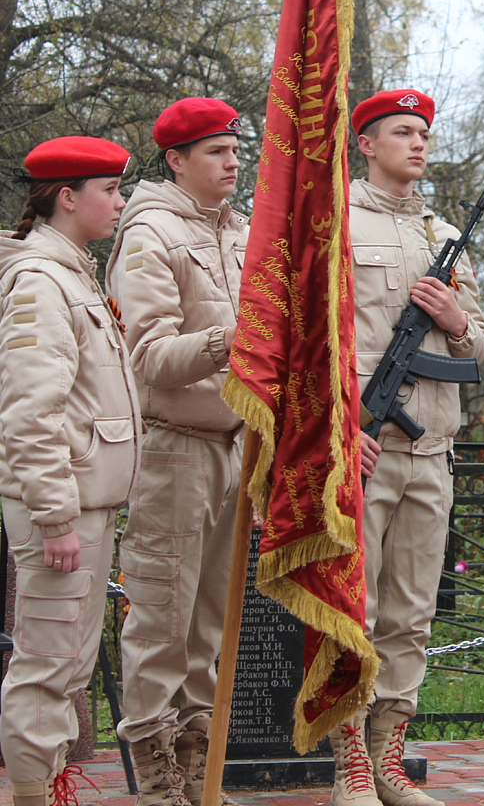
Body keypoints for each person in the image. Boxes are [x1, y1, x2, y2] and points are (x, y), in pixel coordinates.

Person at [327, 90, 484, 806]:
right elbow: (313, 344)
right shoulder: (338, 225)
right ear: (367, 142)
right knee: (351, 610)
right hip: (363, 447)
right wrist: (337, 433)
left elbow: (478, 345)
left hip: (432, 455)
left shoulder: (443, 231)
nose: (418, 144)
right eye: (402, 132)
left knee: (411, 617)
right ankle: (348, 766)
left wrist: (455, 317)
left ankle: (389, 758)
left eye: (424, 133)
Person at [106, 97, 250, 806]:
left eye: (235, 150)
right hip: (172, 448)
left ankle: (198, 773)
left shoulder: (241, 233)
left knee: (208, 625)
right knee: (162, 619)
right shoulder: (150, 233)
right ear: (177, 160)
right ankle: (158, 779)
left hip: (233, 445)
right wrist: (233, 338)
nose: (234, 162)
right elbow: (151, 356)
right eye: (218, 153)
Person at [0, 137, 141, 806]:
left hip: (88, 502)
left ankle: (43, 786)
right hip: (63, 509)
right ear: (66, 197)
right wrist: (55, 516)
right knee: (47, 664)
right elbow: (31, 413)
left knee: (67, 666)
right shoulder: (41, 280)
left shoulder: (74, 271)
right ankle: (29, 795)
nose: (119, 202)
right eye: (109, 190)